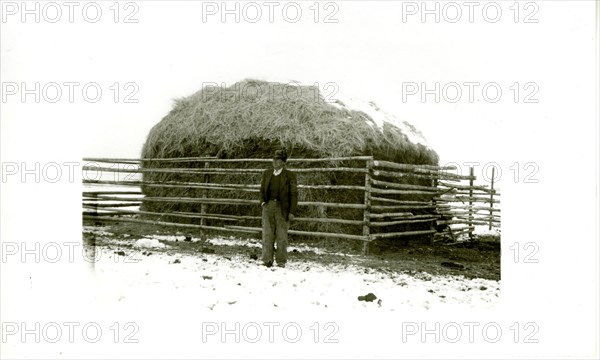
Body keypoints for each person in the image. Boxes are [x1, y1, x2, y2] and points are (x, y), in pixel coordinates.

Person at [259, 149, 298, 268]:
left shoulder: (290, 175)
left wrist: (292, 211)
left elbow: (294, 194)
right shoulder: (267, 173)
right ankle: (267, 260)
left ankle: (281, 261)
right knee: (267, 235)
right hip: (268, 207)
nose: (275, 162)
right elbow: (261, 190)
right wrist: (263, 203)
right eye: (274, 160)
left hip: (282, 208)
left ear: (283, 163)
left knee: (281, 236)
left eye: (278, 160)